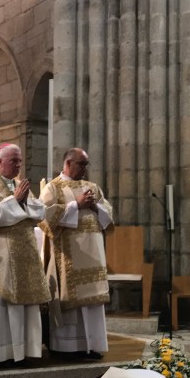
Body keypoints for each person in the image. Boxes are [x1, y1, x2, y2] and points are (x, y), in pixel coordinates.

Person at [0, 144, 51, 366]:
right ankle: (0, 353)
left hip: (24, 251)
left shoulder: (19, 185)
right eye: (13, 160)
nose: (18, 165)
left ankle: (26, 351)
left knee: (26, 302)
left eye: (20, 161)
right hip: (2, 253)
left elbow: (38, 211)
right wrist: (15, 202)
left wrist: (19, 204)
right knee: (1, 302)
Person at [40, 148, 113, 359]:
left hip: (93, 252)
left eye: (86, 164)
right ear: (68, 163)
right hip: (68, 256)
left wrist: (96, 208)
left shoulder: (92, 187)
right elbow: (45, 217)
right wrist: (76, 205)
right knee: (73, 303)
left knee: (92, 301)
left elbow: (108, 214)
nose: (84, 168)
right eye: (81, 164)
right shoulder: (53, 188)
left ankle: (93, 345)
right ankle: (68, 347)